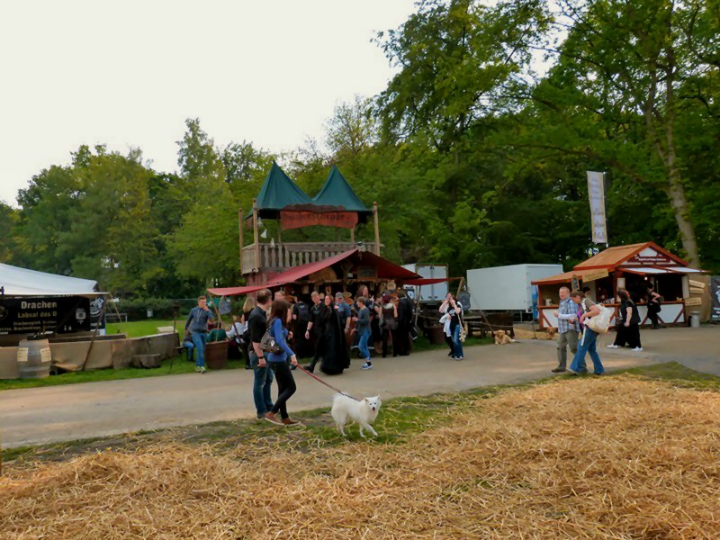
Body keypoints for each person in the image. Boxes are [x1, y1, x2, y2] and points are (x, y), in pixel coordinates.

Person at [263, 300, 301, 426]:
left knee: (282, 389)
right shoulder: (278, 321)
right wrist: (292, 354)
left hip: (273, 359)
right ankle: (272, 412)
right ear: (282, 310)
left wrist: (286, 333)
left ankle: (284, 417)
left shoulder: (272, 320)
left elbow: (277, 336)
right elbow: (279, 340)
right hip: (278, 360)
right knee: (292, 387)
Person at [248, 289, 275, 420]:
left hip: (264, 350)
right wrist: (260, 357)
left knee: (268, 378)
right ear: (268, 300)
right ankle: (261, 411)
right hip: (257, 352)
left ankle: (269, 405)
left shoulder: (262, 313)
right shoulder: (256, 315)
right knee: (259, 382)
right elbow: (255, 339)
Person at [568, 290, 605, 376]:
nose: (573, 302)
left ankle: (575, 368)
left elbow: (596, 311)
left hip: (590, 328)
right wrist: (575, 319)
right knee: (592, 350)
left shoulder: (586, 301)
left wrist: (584, 315)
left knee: (581, 346)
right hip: (589, 328)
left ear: (577, 297)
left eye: (573, 299)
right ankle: (599, 369)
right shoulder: (581, 305)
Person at [552, 286, 581, 373]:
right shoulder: (562, 302)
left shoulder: (571, 302)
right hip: (563, 329)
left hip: (570, 328)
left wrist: (558, 315)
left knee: (574, 348)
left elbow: (573, 315)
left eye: (563, 292)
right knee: (560, 347)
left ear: (568, 293)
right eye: (560, 293)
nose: (561, 294)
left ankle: (582, 367)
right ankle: (561, 366)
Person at [320, 293, 351, 375]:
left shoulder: (334, 310)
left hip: (334, 334)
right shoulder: (326, 309)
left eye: (328, 299)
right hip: (327, 333)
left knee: (333, 350)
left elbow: (337, 323)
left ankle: (334, 368)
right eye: (325, 299)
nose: (326, 301)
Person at [185, 296, 215, 373]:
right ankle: (202, 366)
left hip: (204, 332)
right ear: (198, 302)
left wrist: (208, 311)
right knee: (200, 348)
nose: (204, 304)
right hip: (195, 332)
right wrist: (186, 328)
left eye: (205, 302)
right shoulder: (193, 310)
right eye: (202, 302)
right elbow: (189, 320)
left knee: (201, 350)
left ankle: (198, 366)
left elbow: (212, 320)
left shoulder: (207, 311)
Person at [304, 291, 328, 373]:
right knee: (321, 348)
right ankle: (324, 365)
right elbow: (311, 320)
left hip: (324, 331)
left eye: (316, 297)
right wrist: (307, 330)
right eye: (314, 298)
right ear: (312, 299)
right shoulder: (313, 308)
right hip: (317, 331)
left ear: (319, 297)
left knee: (318, 348)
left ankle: (312, 366)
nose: (315, 299)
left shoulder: (324, 306)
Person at [439, 293, 464, 360]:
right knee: (455, 340)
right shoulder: (449, 308)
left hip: (457, 325)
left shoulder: (458, 305)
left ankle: (460, 355)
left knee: (456, 340)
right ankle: (457, 354)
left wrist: (454, 304)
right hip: (451, 325)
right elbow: (441, 310)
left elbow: (458, 311)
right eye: (449, 299)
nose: (450, 300)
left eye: (451, 298)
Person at [353, 296, 373, 370]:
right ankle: (368, 361)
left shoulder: (365, 310)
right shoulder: (361, 310)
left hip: (366, 330)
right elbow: (360, 321)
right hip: (362, 330)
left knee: (361, 346)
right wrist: (355, 328)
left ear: (361, 302)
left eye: (358, 302)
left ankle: (368, 363)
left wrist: (357, 320)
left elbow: (366, 321)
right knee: (364, 346)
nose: (357, 303)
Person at [379, 294, 399, 358]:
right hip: (392, 322)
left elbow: (380, 316)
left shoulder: (381, 306)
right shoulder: (393, 306)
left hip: (385, 322)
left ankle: (384, 354)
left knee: (385, 338)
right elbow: (396, 315)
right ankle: (395, 353)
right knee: (394, 337)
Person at [395, 289, 413, 356]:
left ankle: (402, 350)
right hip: (408, 321)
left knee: (401, 336)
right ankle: (407, 349)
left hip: (402, 322)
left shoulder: (401, 302)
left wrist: (399, 320)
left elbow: (401, 313)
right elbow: (411, 312)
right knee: (406, 336)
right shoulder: (409, 301)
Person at [240, 297, 256, 369]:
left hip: (245, 331)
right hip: (251, 331)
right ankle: (252, 362)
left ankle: (247, 363)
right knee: (252, 348)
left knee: (247, 348)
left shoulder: (244, 312)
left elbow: (242, 322)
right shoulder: (254, 311)